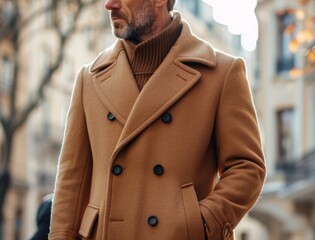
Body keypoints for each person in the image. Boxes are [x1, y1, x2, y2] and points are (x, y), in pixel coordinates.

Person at [49, 0, 266, 239]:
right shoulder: (89, 78)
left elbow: (247, 167)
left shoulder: (222, 73)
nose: (109, 5)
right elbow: (71, 177)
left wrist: (200, 222)